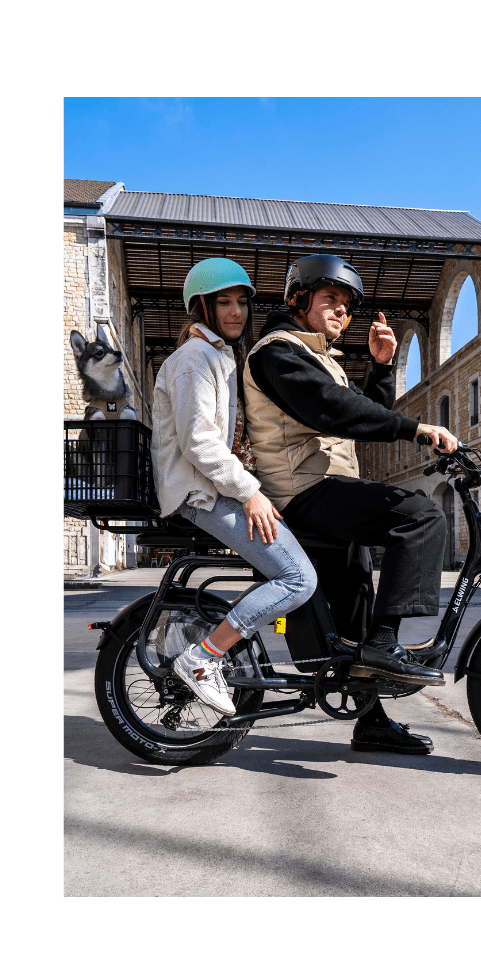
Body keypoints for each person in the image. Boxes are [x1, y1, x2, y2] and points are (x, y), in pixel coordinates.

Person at [242, 254, 459, 755]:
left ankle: (371, 720)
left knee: (357, 608)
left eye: (347, 304)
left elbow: (365, 414)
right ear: (298, 299)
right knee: (422, 515)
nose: (342, 310)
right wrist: (417, 428)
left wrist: (381, 367)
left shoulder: (322, 359)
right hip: (302, 490)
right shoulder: (277, 352)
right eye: (330, 298)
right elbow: (332, 410)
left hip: (331, 489)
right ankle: (385, 645)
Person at [150, 258, 318, 717]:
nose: (236, 311)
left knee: (298, 561)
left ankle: (207, 638)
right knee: (298, 578)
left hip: (215, 489)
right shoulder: (195, 359)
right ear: (202, 307)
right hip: (201, 494)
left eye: (242, 302)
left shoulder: (219, 355)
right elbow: (199, 442)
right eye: (224, 302)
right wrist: (250, 493)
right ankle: (203, 657)